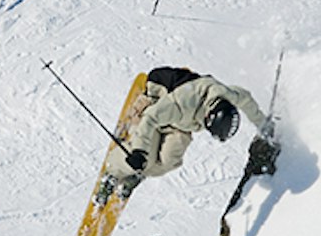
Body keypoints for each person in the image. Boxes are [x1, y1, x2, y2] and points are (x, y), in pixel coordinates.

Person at [117, 66, 272, 186]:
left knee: (168, 161)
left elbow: (247, 101)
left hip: (182, 123)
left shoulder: (229, 96)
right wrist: (139, 151)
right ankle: (114, 170)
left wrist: (263, 124)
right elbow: (150, 119)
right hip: (158, 104)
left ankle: (139, 171)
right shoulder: (181, 103)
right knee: (146, 158)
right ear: (208, 117)